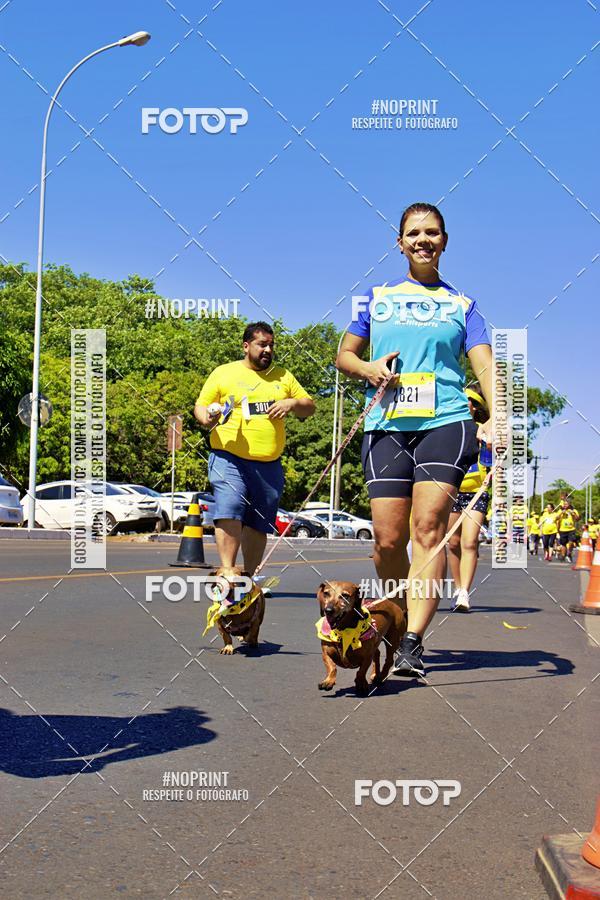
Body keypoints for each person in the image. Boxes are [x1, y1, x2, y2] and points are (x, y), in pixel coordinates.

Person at [336, 202, 493, 677]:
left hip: (446, 421)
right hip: (387, 425)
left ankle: (412, 639)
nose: (424, 240)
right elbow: (345, 355)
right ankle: (400, 610)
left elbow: (484, 363)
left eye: (433, 232)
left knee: (428, 529)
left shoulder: (463, 304)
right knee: (388, 540)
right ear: (400, 242)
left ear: (444, 241)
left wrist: (498, 416)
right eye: (414, 233)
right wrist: (368, 368)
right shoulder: (375, 297)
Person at [194, 322, 315, 583]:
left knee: (259, 522)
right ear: (246, 346)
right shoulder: (224, 373)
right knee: (229, 508)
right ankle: (228, 573)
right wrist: (207, 417)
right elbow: (201, 406)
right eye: (262, 344)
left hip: (269, 464)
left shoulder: (283, 376)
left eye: (271, 345)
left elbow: (309, 406)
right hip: (228, 457)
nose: (268, 350)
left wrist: (292, 402)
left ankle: (248, 579)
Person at [446, 386, 491, 613]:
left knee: (470, 542)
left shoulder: (484, 429)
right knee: (453, 543)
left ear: (475, 406)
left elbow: (493, 460)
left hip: (476, 491)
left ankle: (464, 591)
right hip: (452, 489)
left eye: (468, 401)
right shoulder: (449, 428)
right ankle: (457, 587)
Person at [556, 498, 580, 562]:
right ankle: (563, 555)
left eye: (566, 504)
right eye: (564, 504)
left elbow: (577, 519)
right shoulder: (560, 510)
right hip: (562, 530)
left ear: (569, 504)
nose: (565, 505)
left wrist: (573, 514)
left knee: (571, 542)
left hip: (571, 529)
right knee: (563, 544)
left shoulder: (573, 510)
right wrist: (561, 513)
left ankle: (569, 553)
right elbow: (556, 518)